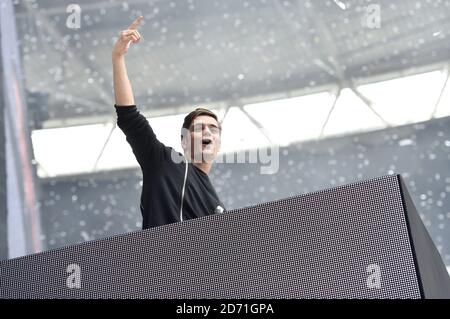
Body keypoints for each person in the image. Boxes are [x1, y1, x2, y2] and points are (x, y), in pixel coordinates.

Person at [112, 16, 226, 229]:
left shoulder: (218, 206)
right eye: (199, 128)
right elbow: (129, 118)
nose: (207, 133)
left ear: (219, 142)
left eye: (213, 129)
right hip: (162, 260)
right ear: (183, 141)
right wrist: (117, 57)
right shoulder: (165, 162)